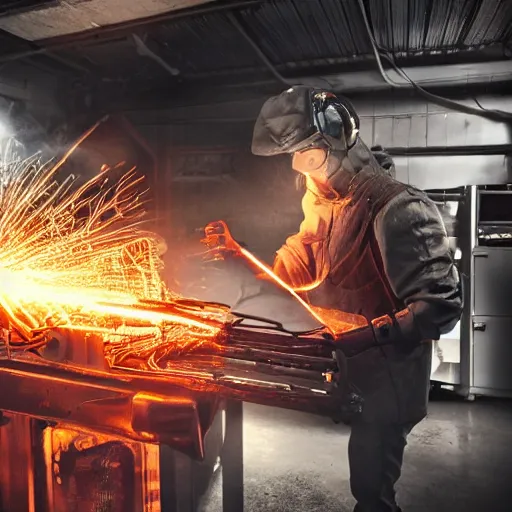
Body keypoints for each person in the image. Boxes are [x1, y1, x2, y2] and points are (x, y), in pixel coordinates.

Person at [251, 86, 463, 512]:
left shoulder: (399, 208)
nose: (304, 170)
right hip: (356, 367)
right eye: (296, 159)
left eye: (310, 157)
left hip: (391, 377)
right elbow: (307, 251)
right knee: (364, 474)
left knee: (371, 489)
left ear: (340, 137)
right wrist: (255, 269)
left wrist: (368, 335)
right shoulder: (324, 198)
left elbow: (441, 306)